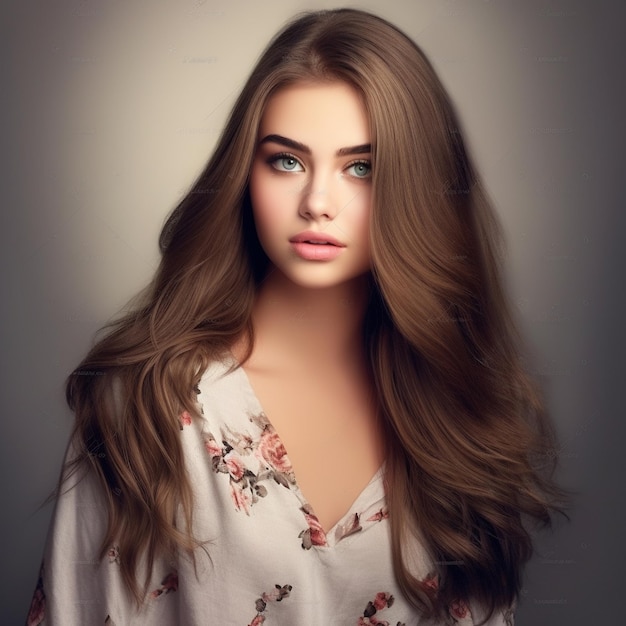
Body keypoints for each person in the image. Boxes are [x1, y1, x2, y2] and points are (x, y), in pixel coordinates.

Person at [27, 8, 565, 625]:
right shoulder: (149, 405)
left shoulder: (457, 408)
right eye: (287, 160)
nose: (317, 203)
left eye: (361, 167)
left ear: (418, 185)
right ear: (245, 172)